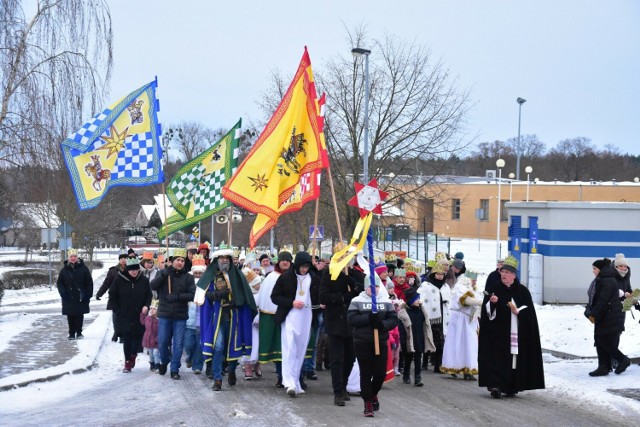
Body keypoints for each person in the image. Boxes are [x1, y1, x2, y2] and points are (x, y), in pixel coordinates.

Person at [478, 255, 545, 398]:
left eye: (507, 273)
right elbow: (486, 312)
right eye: (502, 272)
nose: (504, 275)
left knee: (514, 360)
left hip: (516, 333)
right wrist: (493, 303)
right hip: (497, 334)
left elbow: (530, 315)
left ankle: (511, 386)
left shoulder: (522, 291)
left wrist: (518, 312)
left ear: (514, 275)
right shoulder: (494, 289)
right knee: (497, 359)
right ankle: (496, 385)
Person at [199, 245, 257, 391]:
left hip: (234, 316)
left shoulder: (238, 275)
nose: (224, 260)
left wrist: (237, 299)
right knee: (218, 347)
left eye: (226, 258)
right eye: (221, 258)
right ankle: (218, 379)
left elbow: (247, 294)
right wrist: (218, 295)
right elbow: (204, 295)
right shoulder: (210, 275)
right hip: (217, 317)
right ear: (217, 260)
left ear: (230, 260)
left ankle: (231, 370)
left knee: (233, 347)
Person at [348, 274, 399, 417]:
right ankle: (367, 403)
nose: (373, 289)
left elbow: (394, 320)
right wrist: (369, 318)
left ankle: (373, 394)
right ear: (366, 287)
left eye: (376, 286)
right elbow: (352, 319)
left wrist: (381, 324)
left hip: (381, 342)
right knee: (365, 373)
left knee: (380, 373)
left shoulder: (385, 301)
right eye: (371, 286)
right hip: (362, 341)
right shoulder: (356, 300)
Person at [319, 243, 364, 406]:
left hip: (352, 322)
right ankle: (338, 391)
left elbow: (361, 292)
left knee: (350, 358)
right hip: (335, 321)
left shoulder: (355, 274)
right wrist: (343, 296)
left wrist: (352, 284)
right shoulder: (328, 274)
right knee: (337, 359)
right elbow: (323, 296)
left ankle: (344, 385)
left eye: (348, 257)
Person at [271, 251, 319, 397]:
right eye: (302, 266)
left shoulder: (313, 277)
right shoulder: (286, 277)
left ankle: (296, 381)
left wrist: (320, 304)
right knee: (289, 348)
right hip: (290, 316)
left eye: (307, 267)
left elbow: (318, 294)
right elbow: (275, 297)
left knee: (300, 350)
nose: (304, 269)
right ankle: (289, 383)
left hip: (306, 316)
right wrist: (291, 302)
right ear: (297, 265)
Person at [149, 248, 196, 380]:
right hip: (164, 314)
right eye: (178, 260)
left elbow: (192, 294)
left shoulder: (188, 277)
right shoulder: (164, 274)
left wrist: (177, 296)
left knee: (178, 343)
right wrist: (164, 274)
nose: (180, 263)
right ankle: (164, 360)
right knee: (163, 341)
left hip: (180, 316)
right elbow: (152, 286)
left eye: (182, 260)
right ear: (173, 261)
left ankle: (175, 368)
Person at [584, 258, 631, 376]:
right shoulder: (605, 278)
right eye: (621, 266)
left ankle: (620, 360)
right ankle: (605, 366)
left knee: (607, 340)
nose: (623, 268)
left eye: (625, 266)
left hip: (612, 313)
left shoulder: (611, 279)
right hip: (608, 313)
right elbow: (597, 297)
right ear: (615, 267)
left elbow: (603, 299)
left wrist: (629, 299)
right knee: (601, 340)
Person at [440, 259, 482, 380]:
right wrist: (480, 302)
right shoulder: (460, 288)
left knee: (470, 345)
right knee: (457, 343)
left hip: (470, 321)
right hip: (459, 319)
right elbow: (465, 301)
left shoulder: (474, 289)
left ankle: (468, 368)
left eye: (475, 280)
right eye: (473, 279)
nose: (474, 282)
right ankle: (453, 366)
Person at [256, 251, 292, 388]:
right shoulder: (271, 277)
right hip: (275, 317)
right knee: (279, 348)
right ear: (278, 262)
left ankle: (294, 377)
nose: (285, 262)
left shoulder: (295, 277)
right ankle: (281, 376)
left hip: (292, 317)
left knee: (290, 348)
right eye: (282, 260)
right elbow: (267, 298)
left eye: (287, 260)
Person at [109, 257, 152, 372]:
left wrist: (146, 306)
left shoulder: (143, 280)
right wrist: (117, 309)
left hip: (139, 314)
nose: (134, 272)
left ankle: (133, 354)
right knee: (127, 337)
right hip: (124, 314)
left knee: (138, 337)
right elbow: (112, 294)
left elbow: (149, 295)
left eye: (136, 269)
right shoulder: (119, 279)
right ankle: (127, 362)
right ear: (127, 269)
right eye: (131, 270)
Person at [417, 262, 451, 373]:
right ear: (434, 274)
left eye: (442, 274)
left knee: (439, 342)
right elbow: (420, 298)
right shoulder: (426, 285)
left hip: (443, 317)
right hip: (430, 317)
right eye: (438, 274)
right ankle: (425, 362)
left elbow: (450, 300)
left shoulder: (445, 286)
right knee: (427, 338)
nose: (440, 276)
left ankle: (438, 365)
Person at [397, 288, 434, 387]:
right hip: (408, 340)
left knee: (418, 358)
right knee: (408, 358)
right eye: (416, 299)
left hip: (419, 338)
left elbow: (426, 324)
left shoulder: (421, 311)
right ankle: (406, 375)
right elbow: (401, 329)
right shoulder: (403, 313)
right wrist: (403, 341)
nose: (419, 301)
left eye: (419, 298)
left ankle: (418, 377)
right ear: (410, 300)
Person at [56, 249, 93, 340]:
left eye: (75, 256)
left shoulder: (84, 268)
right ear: (68, 258)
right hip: (68, 296)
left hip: (81, 296)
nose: (73, 258)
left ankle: (79, 332)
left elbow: (89, 282)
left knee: (79, 315)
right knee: (70, 315)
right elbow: (60, 283)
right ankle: (71, 333)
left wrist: (88, 294)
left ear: (77, 257)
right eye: (71, 256)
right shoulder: (64, 269)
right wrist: (63, 293)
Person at [95, 253, 127, 342]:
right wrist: (99, 293)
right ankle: (117, 332)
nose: (123, 260)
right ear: (119, 260)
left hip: (127, 297)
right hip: (115, 297)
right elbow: (106, 283)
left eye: (125, 258)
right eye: (122, 258)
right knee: (116, 317)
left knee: (125, 317)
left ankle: (122, 336)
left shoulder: (131, 270)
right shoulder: (113, 271)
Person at [184, 255, 206, 375]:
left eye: (199, 273)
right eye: (195, 273)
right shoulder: (188, 283)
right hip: (188, 319)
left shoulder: (206, 284)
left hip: (201, 319)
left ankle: (197, 365)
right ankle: (189, 357)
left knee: (199, 344)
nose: (197, 275)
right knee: (188, 344)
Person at [140, 299, 160, 371]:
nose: (152, 310)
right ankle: (152, 364)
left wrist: (157, 339)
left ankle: (158, 365)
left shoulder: (159, 320)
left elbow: (161, 330)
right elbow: (142, 322)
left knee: (156, 352)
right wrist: (143, 314)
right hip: (149, 339)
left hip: (156, 340)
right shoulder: (148, 318)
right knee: (151, 354)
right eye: (151, 308)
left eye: (154, 309)